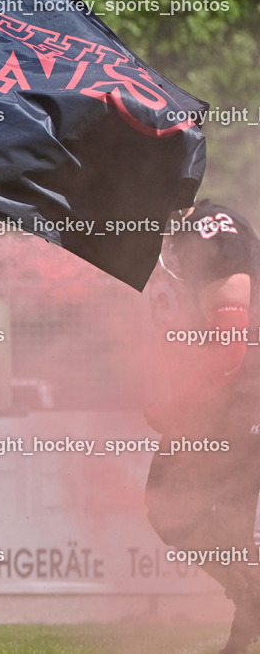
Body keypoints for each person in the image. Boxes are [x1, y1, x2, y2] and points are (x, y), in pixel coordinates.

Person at [143, 200, 260, 654]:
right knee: (229, 532)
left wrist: (177, 408)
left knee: (168, 505)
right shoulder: (176, 233)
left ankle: (250, 600)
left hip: (235, 402)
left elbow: (229, 348)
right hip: (229, 403)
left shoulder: (211, 229)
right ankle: (241, 632)